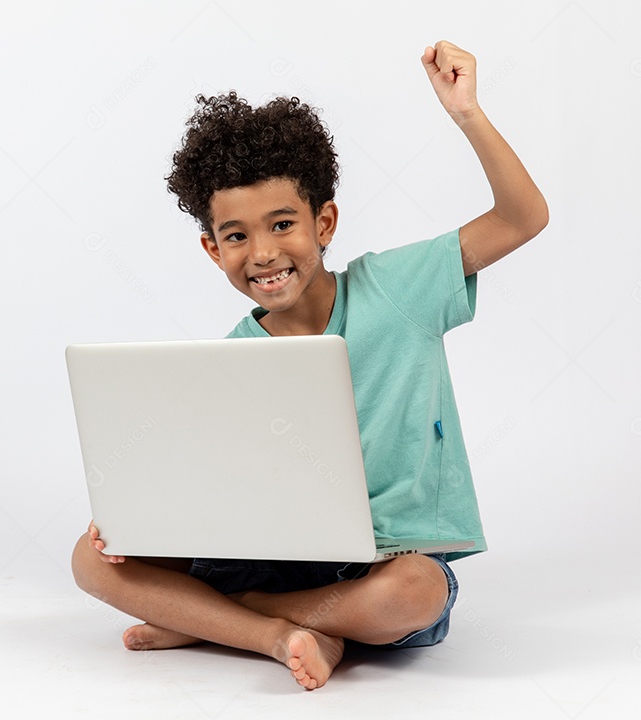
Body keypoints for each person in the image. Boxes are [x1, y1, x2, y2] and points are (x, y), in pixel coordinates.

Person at [71, 40, 548, 690]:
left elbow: (523, 218)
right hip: (271, 558)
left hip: (382, 564)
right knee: (91, 560)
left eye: (283, 224)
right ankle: (280, 634)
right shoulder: (233, 358)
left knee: (413, 592)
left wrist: (466, 112)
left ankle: (219, 621)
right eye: (237, 236)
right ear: (214, 251)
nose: (263, 253)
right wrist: (140, 517)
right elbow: (214, 484)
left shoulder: (398, 289)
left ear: (324, 222)